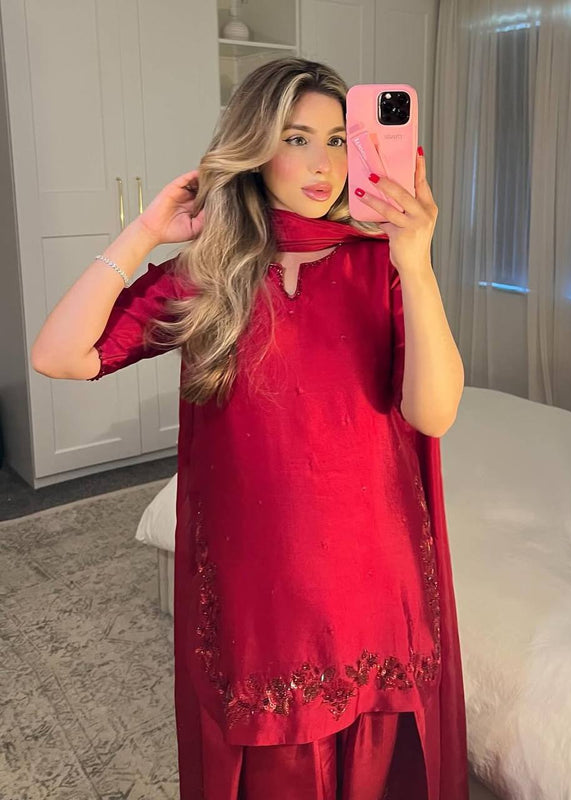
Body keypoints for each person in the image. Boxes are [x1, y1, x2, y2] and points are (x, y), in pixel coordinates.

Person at [31, 58, 468, 800]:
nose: (323, 163)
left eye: (339, 140)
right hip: (257, 595)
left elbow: (435, 414)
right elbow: (60, 355)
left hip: (371, 579)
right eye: (297, 138)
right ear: (256, 148)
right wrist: (144, 232)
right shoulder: (211, 273)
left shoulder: (385, 268)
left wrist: (417, 265)